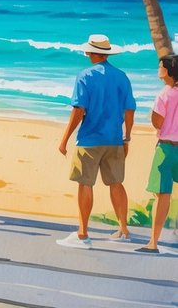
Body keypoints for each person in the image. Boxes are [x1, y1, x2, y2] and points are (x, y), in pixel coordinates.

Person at [56, 34, 135, 248]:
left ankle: (83, 233)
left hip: (90, 139)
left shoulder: (85, 76)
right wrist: (126, 136)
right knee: (116, 183)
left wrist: (64, 139)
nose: (86, 53)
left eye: (88, 50)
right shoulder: (121, 76)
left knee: (85, 184)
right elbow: (129, 110)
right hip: (114, 139)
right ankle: (124, 230)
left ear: (92, 52)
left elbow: (79, 110)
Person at [140, 53, 178, 253]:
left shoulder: (164, 94)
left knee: (162, 195)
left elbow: (158, 122)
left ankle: (153, 242)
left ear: (168, 71)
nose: (158, 69)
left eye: (160, 66)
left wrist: (152, 116)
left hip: (165, 148)